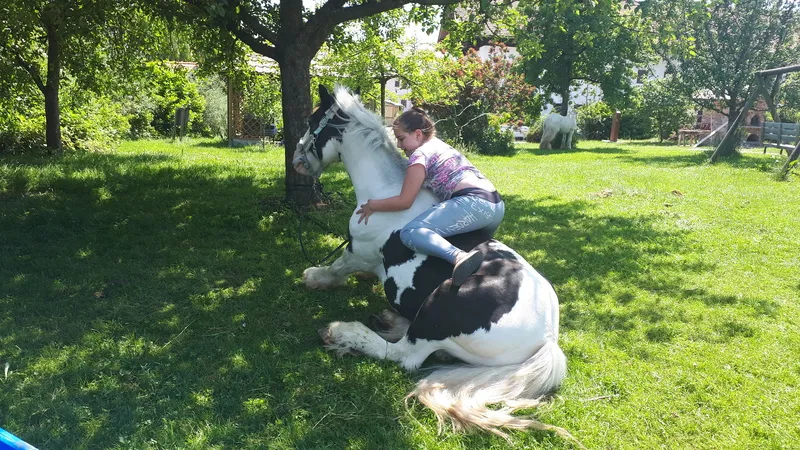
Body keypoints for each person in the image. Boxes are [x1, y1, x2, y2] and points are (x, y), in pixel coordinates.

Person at [356, 108, 505, 286]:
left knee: (412, 232)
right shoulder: (439, 145)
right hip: (495, 206)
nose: (398, 145)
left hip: (474, 204)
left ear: (418, 134)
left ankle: (459, 257)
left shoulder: (420, 155)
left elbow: (405, 201)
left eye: (401, 138)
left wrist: (372, 205)